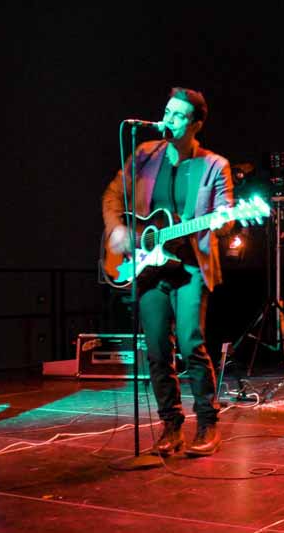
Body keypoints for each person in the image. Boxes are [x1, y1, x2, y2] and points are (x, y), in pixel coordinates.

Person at [102, 87, 233, 457]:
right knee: (157, 348)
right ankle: (170, 425)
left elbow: (224, 215)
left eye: (178, 115)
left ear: (196, 123)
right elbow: (113, 195)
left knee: (191, 342)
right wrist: (117, 229)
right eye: (167, 112)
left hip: (190, 266)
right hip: (148, 268)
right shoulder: (144, 155)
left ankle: (207, 422)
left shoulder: (213, 165)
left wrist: (223, 222)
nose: (168, 120)